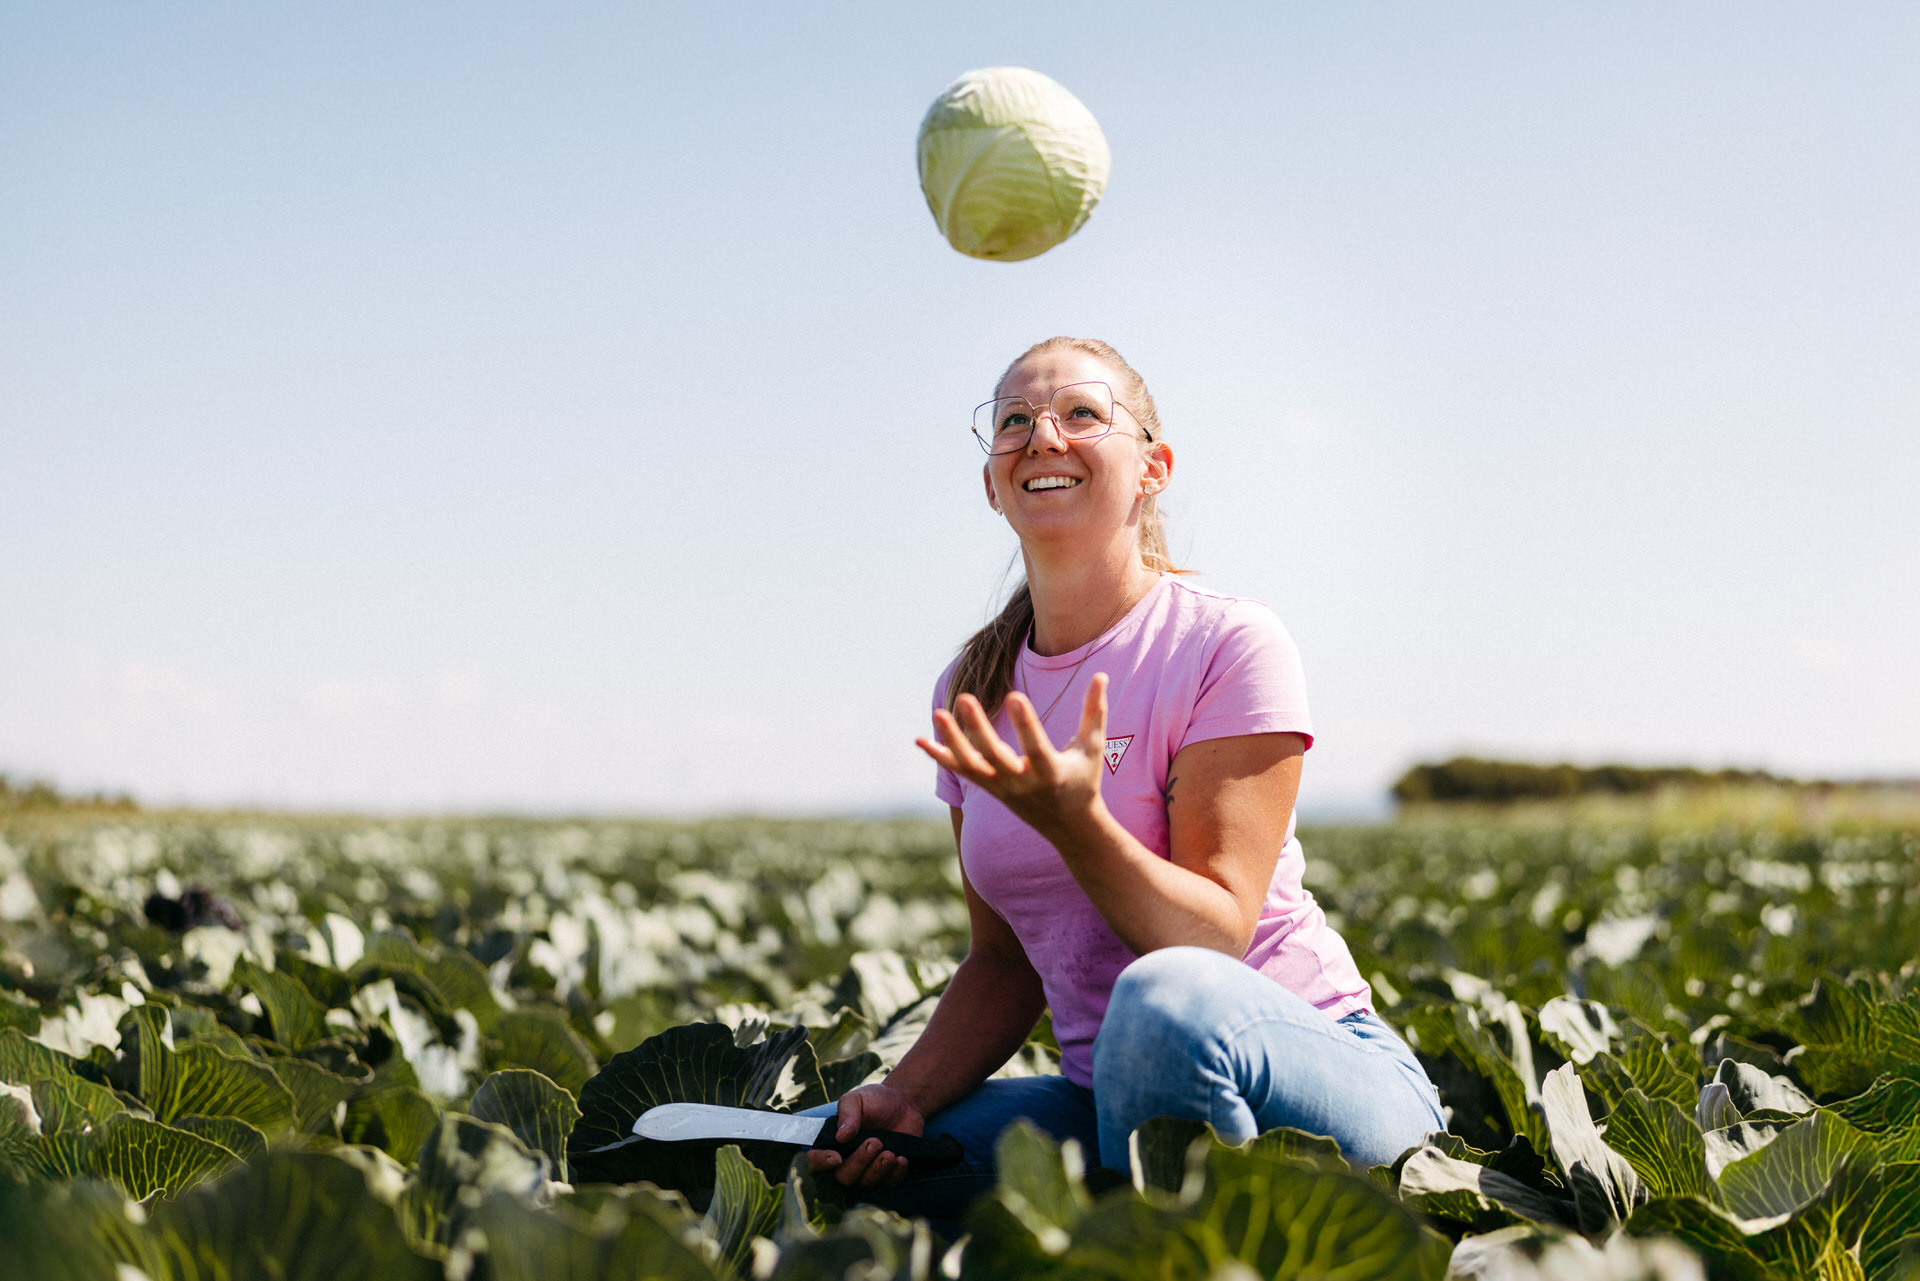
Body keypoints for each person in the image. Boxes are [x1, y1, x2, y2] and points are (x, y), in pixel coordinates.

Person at [803, 337, 1444, 1219]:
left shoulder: (1227, 644)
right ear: (992, 483)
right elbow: (1003, 961)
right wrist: (904, 1093)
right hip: (1104, 1096)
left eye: (1082, 413)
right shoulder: (972, 687)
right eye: (1015, 421)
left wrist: (1079, 824)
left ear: (1153, 467)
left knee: (1159, 1007)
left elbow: (1211, 940)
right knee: (849, 1160)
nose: (1044, 436)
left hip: (1321, 1081)